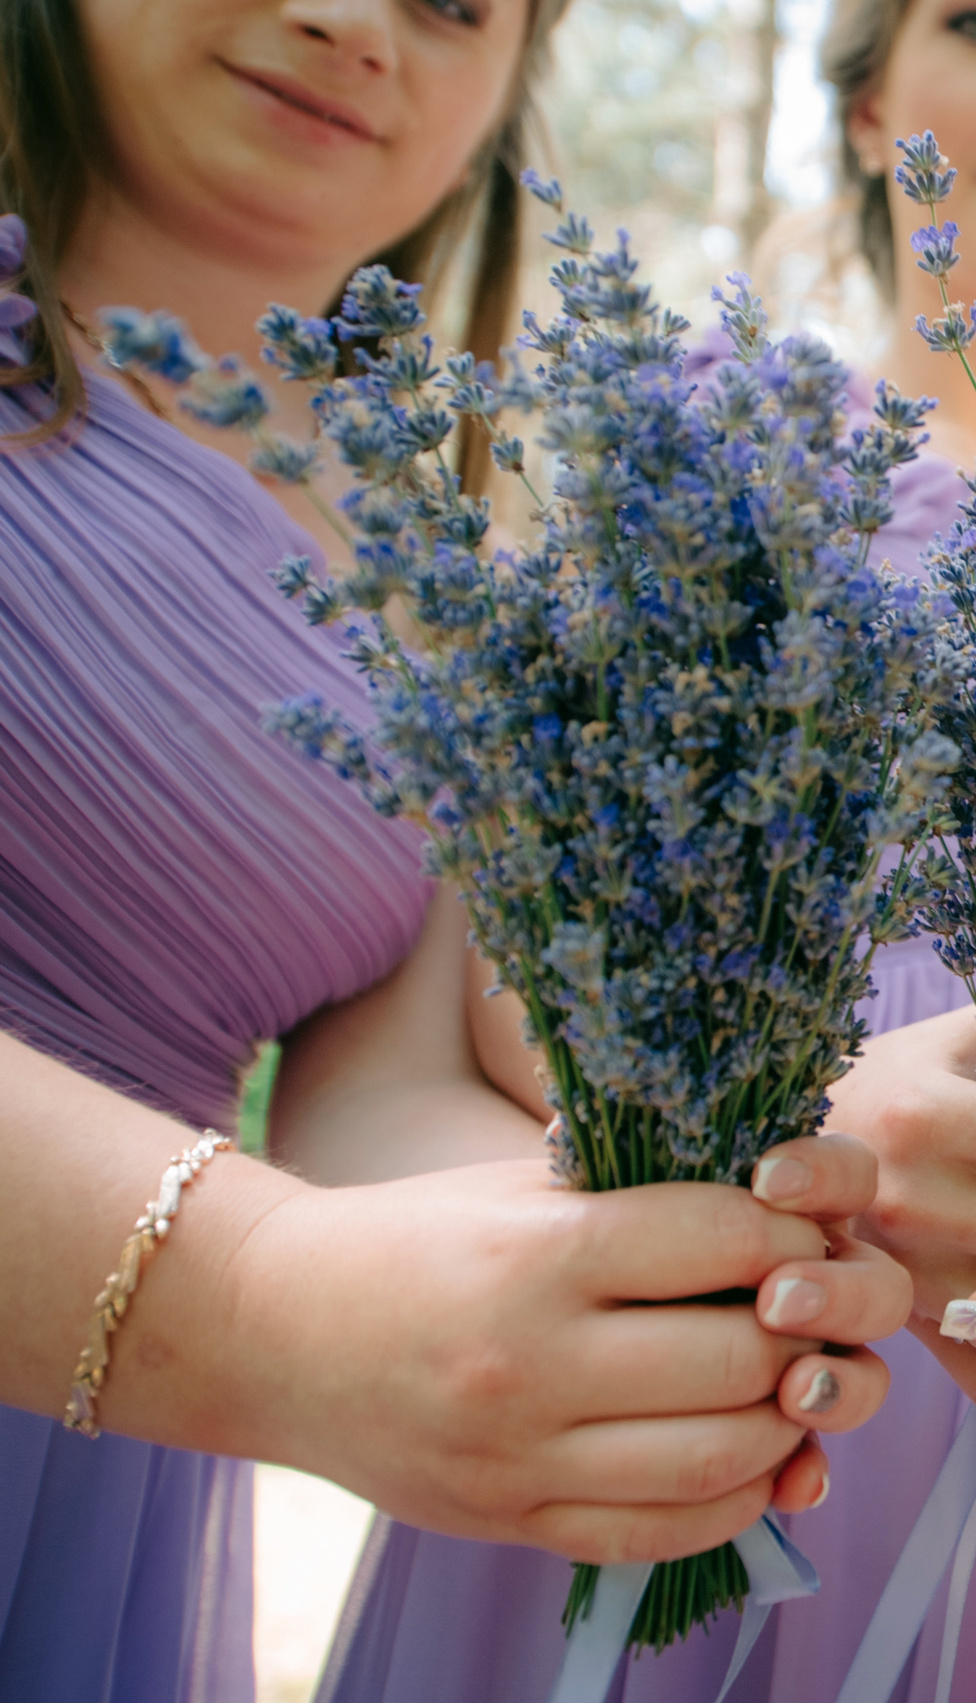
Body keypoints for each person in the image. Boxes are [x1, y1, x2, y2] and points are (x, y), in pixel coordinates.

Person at [317, 4, 976, 1701]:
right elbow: (521, 936)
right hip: (685, 1289)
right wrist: (794, 1139)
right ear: (866, 106)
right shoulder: (704, 453)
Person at [0, 1, 916, 1699]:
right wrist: (267, 1299)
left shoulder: (437, 555)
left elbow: (375, 1082)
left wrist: (635, 1272)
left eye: (454, 2)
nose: (352, 22)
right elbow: (290, 1265)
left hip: (96, 1451)